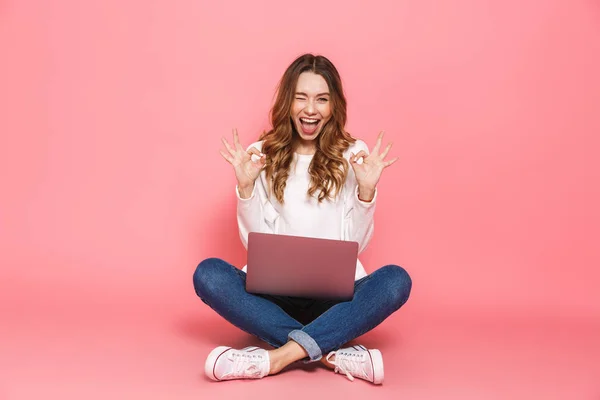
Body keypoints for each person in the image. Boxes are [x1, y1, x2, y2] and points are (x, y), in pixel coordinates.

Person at [193, 54, 412, 384]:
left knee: (396, 280)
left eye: (321, 99)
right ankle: (328, 352)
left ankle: (276, 357)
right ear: (288, 103)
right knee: (208, 274)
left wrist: (365, 193)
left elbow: (357, 244)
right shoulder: (261, 154)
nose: (311, 109)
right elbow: (254, 244)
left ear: (334, 106)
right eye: (301, 97)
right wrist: (247, 188)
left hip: (335, 300)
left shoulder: (354, 155)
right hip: (273, 299)